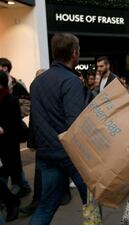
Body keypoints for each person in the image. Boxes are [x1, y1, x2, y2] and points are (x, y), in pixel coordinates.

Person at [28, 32, 87, 225]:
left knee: (46, 206)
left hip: (46, 153)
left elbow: (35, 119)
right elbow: (75, 123)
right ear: (74, 53)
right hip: (71, 154)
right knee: (92, 204)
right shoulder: (71, 81)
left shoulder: (37, 82)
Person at [0, 57, 32, 198]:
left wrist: (16, 116)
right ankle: (21, 185)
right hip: (4, 131)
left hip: (12, 129)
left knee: (12, 159)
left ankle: (18, 188)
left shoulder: (16, 85)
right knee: (11, 160)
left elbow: (27, 103)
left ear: (5, 68)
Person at [0, 71, 21, 222]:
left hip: (7, 146)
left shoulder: (11, 100)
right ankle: (10, 200)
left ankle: (11, 201)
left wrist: (3, 130)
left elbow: (16, 126)